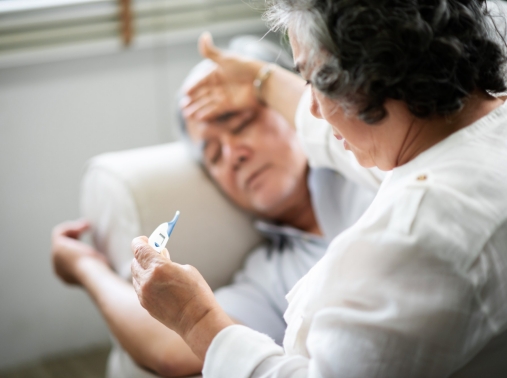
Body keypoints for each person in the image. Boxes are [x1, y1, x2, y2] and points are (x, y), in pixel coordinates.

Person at [131, 0, 507, 377]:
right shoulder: (460, 135)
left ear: (368, 74)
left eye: (313, 79)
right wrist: (259, 80)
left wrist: (194, 320)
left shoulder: (418, 237)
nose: (312, 109)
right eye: (213, 154)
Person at [51, 36, 375, 377]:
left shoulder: (373, 164)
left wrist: (263, 79)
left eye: (241, 122)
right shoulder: (269, 275)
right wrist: (85, 269)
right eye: (214, 155)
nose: (234, 155)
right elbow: (169, 351)